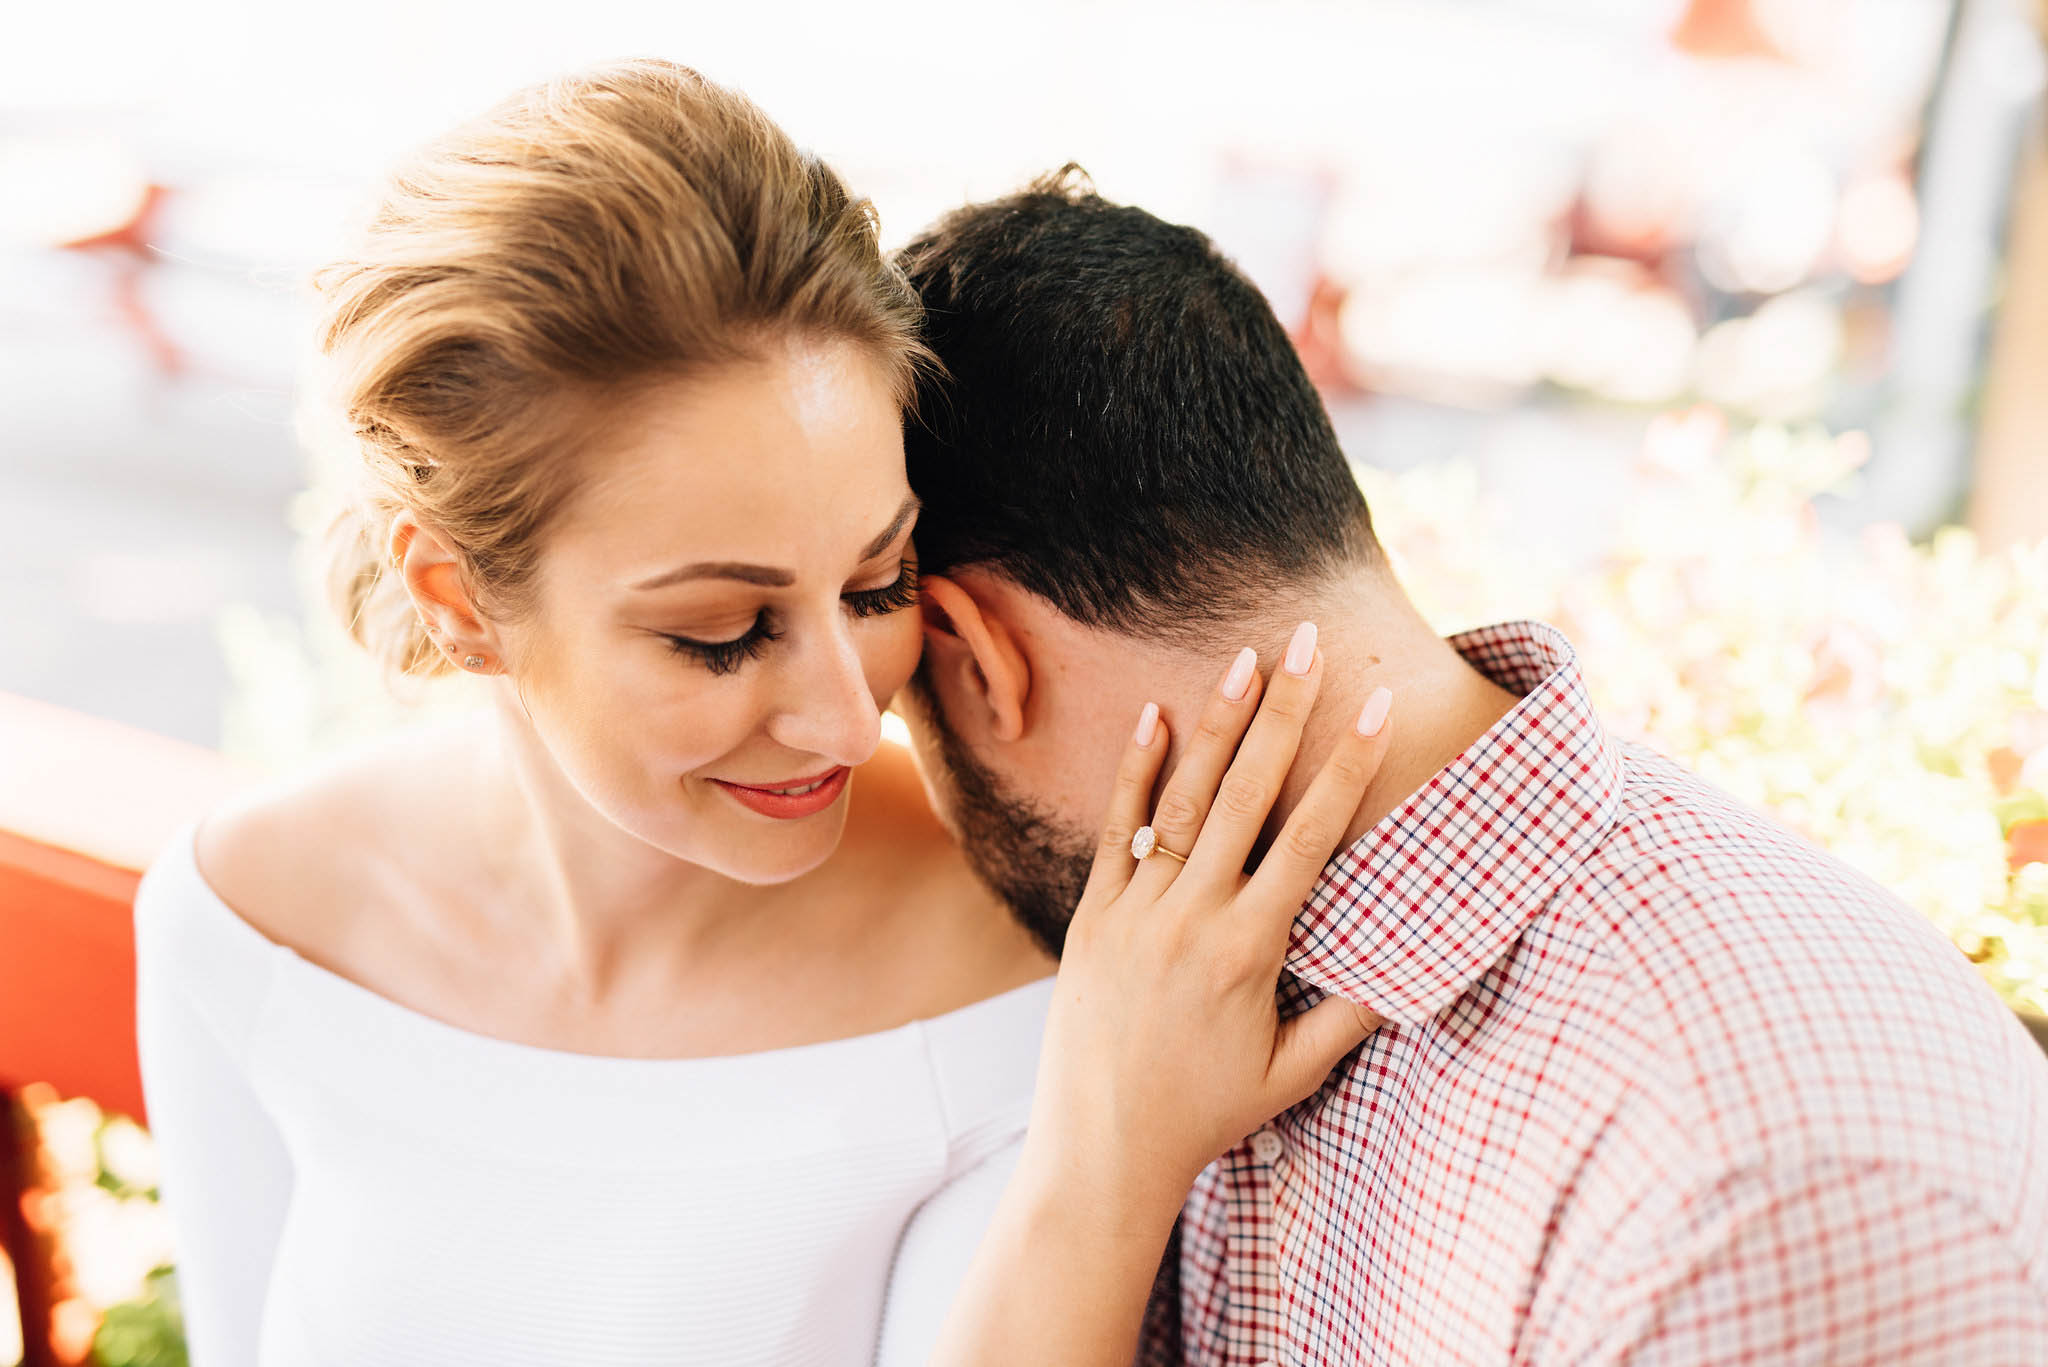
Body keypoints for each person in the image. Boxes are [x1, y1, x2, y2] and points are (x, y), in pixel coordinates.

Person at [888, 174, 2048, 1364]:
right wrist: (1095, 1183)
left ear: (972, 657)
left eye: (893, 699)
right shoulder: (1164, 1009)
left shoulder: (1755, 1177)